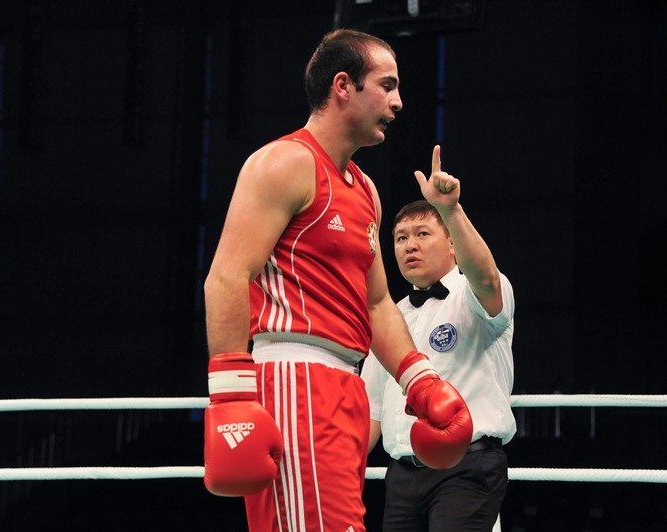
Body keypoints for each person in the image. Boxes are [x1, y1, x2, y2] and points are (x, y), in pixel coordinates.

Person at [202, 29, 474, 532]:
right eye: (387, 85)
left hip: (347, 388)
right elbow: (226, 277)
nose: (398, 101)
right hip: (296, 379)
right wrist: (231, 394)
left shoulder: (365, 190)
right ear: (343, 85)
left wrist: (419, 380)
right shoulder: (285, 163)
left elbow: (377, 303)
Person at [361, 145, 516, 532]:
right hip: (401, 475)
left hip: (466, 469)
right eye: (400, 238)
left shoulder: (473, 296)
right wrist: (335, 471)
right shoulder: (388, 316)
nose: (409, 245)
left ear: (451, 244)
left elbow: (486, 279)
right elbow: (371, 411)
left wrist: (451, 210)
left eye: (422, 233)